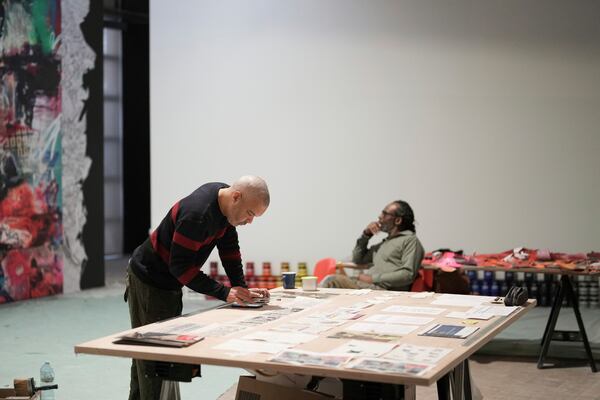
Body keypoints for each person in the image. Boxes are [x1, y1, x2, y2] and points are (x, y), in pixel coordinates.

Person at [125, 175, 271, 400]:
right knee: (154, 361)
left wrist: (241, 289)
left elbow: (230, 251)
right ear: (236, 197)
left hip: (169, 282)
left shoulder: (225, 206)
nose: (249, 221)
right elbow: (181, 269)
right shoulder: (197, 215)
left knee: (155, 358)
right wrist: (224, 292)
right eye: (250, 213)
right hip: (150, 279)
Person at [323, 200, 424, 291]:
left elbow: (408, 275)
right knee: (331, 283)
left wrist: (373, 278)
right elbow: (357, 259)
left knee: (332, 281)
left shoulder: (410, 241)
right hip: (366, 286)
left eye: (385, 214)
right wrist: (366, 235)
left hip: (382, 290)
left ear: (398, 220)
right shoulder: (384, 244)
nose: (380, 217)